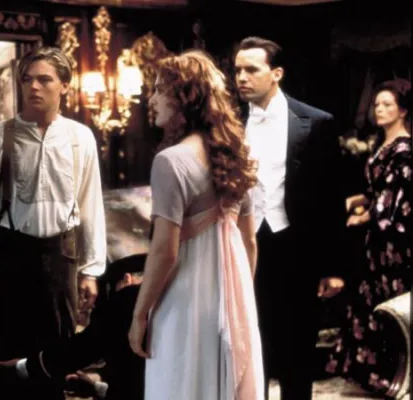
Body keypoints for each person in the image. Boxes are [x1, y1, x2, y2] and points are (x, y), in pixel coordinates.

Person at [127, 49, 264, 400]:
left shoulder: (171, 161)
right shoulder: (238, 155)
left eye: (159, 90)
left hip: (185, 297)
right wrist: (239, 300)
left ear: (183, 99)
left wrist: (140, 314)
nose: (151, 99)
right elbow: (249, 242)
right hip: (233, 296)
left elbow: (165, 251)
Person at [0, 46, 107, 400]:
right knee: (5, 355)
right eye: (27, 79)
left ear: (64, 85)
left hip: (60, 254)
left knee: (56, 355)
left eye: (44, 79)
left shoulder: (80, 137)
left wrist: (91, 271)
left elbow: (90, 205)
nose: (33, 86)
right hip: (12, 252)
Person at [233, 36, 345, 400]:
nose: (242, 77)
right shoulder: (229, 123)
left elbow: (331, 198)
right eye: (237, 70)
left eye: (251, 69)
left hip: (297, 249)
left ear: (276, 73)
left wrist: (332, 267)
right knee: (250, 347)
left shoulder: (316, 122)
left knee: (297, 350)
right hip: (243, 247)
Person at [326, 79, 412, 394]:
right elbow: (376, 189)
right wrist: (356, 201)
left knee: (388, 300)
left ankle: (391, 373)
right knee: (370, 298)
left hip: (392, 242)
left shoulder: (404, 150)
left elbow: (395, 199)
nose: (379, 109)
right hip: (375, 241)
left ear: (403, 111)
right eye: (377, 104)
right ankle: (375, 372)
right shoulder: (382, 145)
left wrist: (364, 215)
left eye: (387, 104)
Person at [0, 253, 147, 400]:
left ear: (126, 280)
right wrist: (97, 388)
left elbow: (82, 348)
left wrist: (23, 367)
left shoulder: (130, 299)